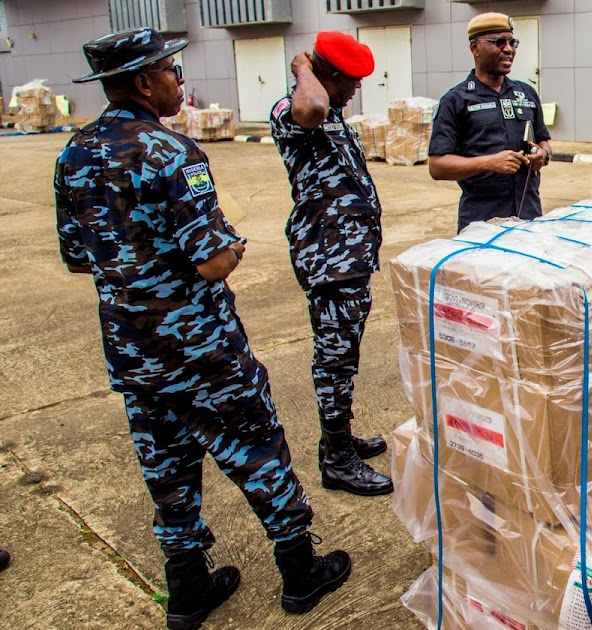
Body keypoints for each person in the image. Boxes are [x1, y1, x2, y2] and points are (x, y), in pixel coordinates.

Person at [56, 28, 349, 629]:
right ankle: (299, 571)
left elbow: (78, 256)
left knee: (166, 465)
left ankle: (187, 586)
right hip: (200, 346)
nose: (180, 82)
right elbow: (213, 260)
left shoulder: (74, 154)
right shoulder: (172, 154)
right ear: (144, 81)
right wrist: (233, 247)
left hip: (133, 348)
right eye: (173, 71)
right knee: (256, 446)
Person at [270, 31, 393, 497]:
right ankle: (336, 460)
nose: (356, 89)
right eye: (351, 81)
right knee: (335, 358)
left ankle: (338, 439)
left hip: (351, 257)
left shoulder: (335, 114)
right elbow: (312, 109)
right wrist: (303, 68)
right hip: (328, 257)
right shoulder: (292, 111)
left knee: (345, 354)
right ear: (327, 75)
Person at [428, 12, 552, 233]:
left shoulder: (526, 93)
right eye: (498, 42)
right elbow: (438, 167)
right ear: (475, 48)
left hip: (528, 212)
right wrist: (489, 163)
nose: (508, 49)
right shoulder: (456, 100)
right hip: (482, 219)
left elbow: (543, 140)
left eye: (512, 42)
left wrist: (543, 155)